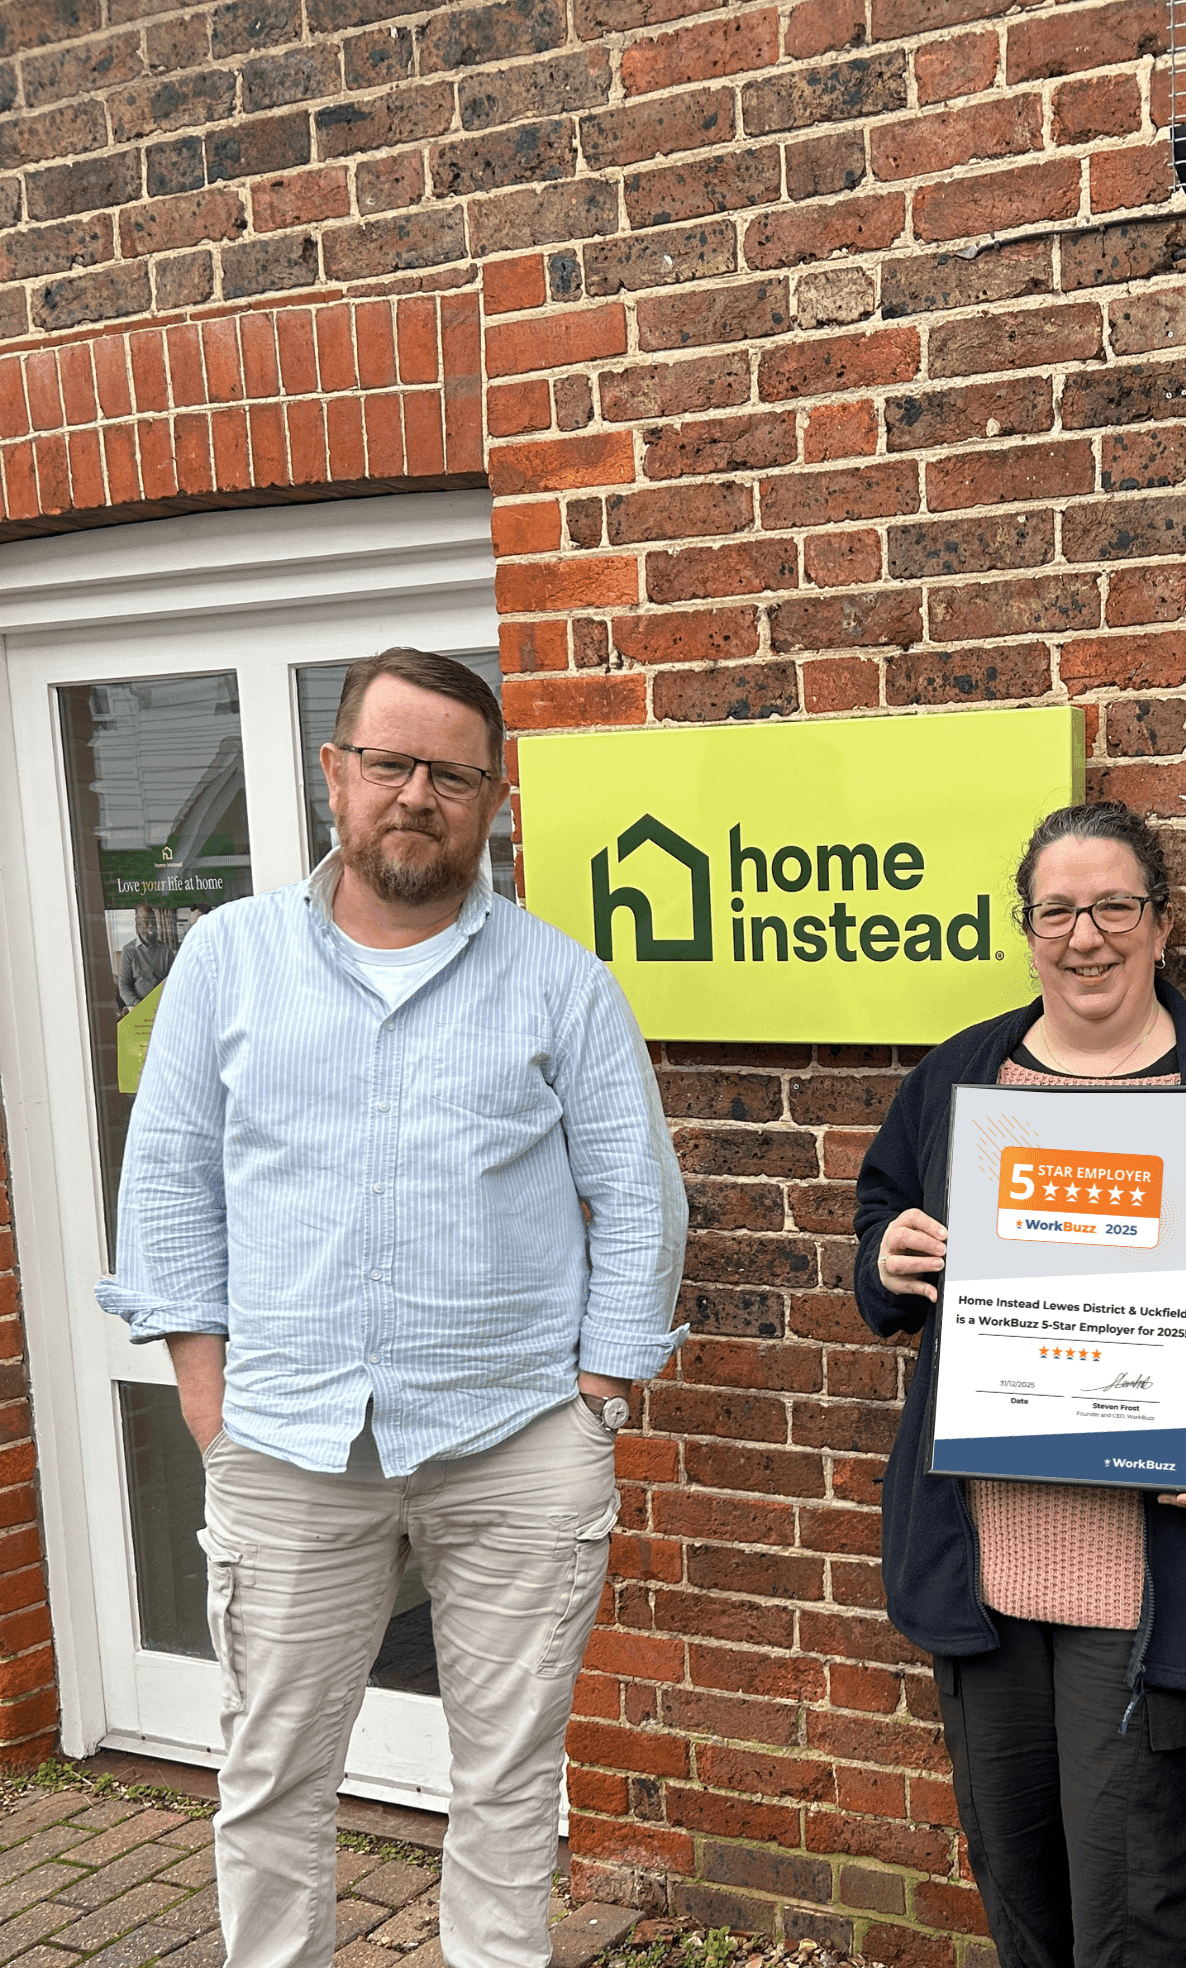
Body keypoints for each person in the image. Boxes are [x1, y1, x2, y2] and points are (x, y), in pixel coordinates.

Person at [97, 647, 687, 1968]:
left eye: (451, 775)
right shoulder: (228, 960)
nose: (416, 793)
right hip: (286, 1440)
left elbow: (637, 1195)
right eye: (390, 763)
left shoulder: (562, 981)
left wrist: (598, 1396)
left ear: (494, 800)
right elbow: (171, 1176)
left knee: (510, 1778)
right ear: (336, 773)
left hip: (515, 1441)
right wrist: (206, 1393)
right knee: (272, 1774)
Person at [854, 799, 1186, 1968]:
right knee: (1019, 1886)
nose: (1084, 936)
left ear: (1162, 922)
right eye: (1057, 911)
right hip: (983, 1571)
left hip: (1146, 1581)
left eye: (1113, 906)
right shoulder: (957, 1078)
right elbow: (882, 1221)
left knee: (1136, 1914)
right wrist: (885, 1256)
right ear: (1027, 929)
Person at [116, 901, 176, 1011]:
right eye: (146, 922)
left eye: (153, 921)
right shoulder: (129, 951)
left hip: (162, 1006)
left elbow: (174, 982)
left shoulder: (166, 950)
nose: (151, 926)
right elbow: (124, 986)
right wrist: (139, 1006)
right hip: (138, 1007)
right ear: (137, 925)